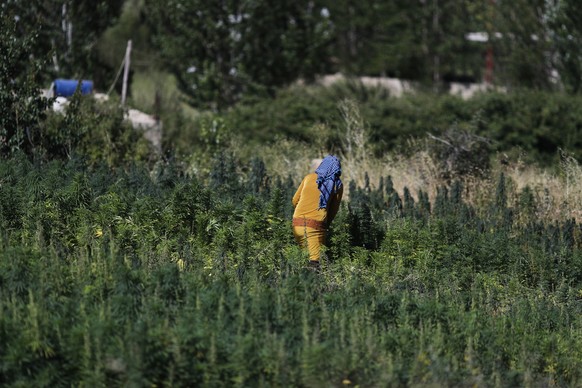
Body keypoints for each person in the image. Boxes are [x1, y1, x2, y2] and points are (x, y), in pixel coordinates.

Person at [292, 155, 343, 268]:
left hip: (297, 224)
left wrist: (302, 212)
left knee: (303, 257)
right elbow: (334, 209)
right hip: (316, 226)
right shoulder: (337, 184)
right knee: (315, 262)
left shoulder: (309, 177)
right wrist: (326, 224)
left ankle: (297, 282)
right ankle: (313, 284)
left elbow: (295, 200)